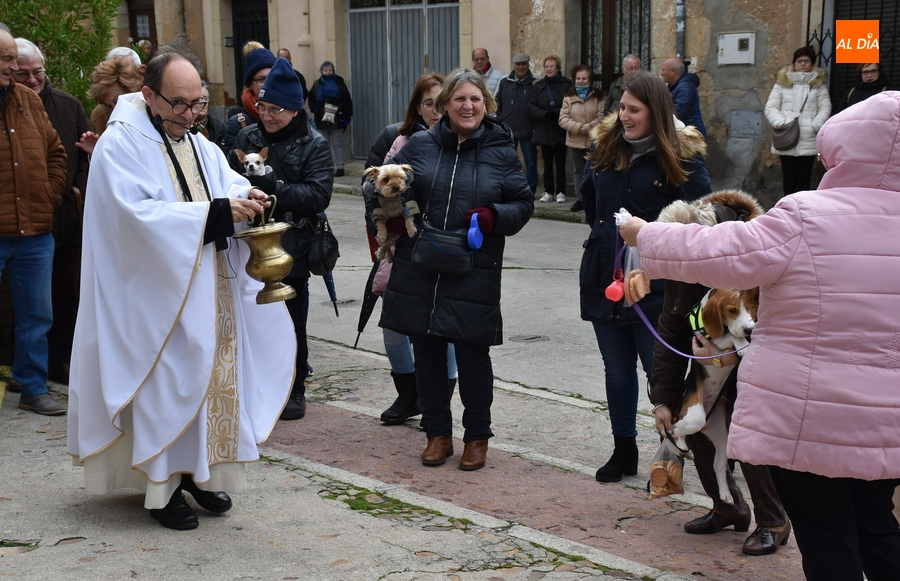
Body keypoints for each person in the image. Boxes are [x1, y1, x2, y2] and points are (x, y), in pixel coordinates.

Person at [620, 90, 900, 581]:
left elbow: (722, 251)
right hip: (888, 421)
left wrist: (646, 235)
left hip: (811, 413)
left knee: (827, 534)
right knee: (877, 523)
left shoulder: (806, 215)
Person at [67, 46, 296, 531]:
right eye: (179, 104)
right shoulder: (120, 144)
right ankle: (160, 487)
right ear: (148, 95)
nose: (190, 116)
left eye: (197, 104)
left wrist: (245, 195)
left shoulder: (194, 139)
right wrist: (214, 214)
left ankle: (196, 473)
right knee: (167, 382)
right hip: (153, 296)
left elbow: (221, 180)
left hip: (208, 287)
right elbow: (132, 218)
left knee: (208, 380)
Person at [379, 68, 533, 470]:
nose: (468, 106)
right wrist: (391, 216)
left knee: (473, 357)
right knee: (427, 354)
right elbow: (377, 185)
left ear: (487, 105)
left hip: (474, 267)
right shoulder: (419, 146)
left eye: (476, 99)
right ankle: (437, 434)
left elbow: (523, 205)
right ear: (445, 104)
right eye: (460, 99)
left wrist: (493, 215)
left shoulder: (501, 150)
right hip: (420, 264)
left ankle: (477, 437)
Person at [579, 71, 710, 483]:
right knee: (616, 370)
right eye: (621, 108)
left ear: (656, 112)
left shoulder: (682, 158)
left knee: (661, 374)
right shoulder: (604, 149)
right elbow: (589, 201)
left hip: (658, 285)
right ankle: (624, 450)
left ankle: (673, 455)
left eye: (634, 110)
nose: (624, 116)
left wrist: (654, 242)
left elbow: (703, 217)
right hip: (606, 276)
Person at [648, 190, 790, 556]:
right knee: (693, 430)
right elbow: (671, 328)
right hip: (709, 368)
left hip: (756, 368)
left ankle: (773, 521)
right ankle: (728, 507)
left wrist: (727, 359)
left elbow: (775, 328)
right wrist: (662, 398)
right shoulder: (683, 267)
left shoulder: (752, 257)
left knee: (748, 438)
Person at [229, 57, 334, 421]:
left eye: (276, 109)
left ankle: (294, 388)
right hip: (248, 240)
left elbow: (318, 195)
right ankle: (254, 383)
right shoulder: (248, 137)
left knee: (291, 319)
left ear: (294, 110)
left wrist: (274, 188)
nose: (267, 115)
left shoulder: (314, 144)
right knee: (250, 315)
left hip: (292, 245)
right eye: (262, 106)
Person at [367, 73, 458, 425]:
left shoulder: (458, 142)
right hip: (396, 246)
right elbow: (368, 191)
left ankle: (437, 402)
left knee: (442, 330)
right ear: (417, 106)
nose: (434, 110)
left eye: (440, 102)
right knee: (393, 326)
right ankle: (408, 396)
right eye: (427, 103)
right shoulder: (395, 139)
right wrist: (382, 236)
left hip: (438, 249)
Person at [14, 38, 91, 388]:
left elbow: (82, 159)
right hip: (20, 223)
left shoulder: (68, 105)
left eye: (37, 72)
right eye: (23, 73)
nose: (32, 80)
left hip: (67, 220)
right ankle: (23, 368)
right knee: (27, 301)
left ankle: (59, 360)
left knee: (67, 293)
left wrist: (68, 192)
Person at [0, 26, 67, 415]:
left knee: (37, 313)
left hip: (35, 230)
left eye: (14, 58)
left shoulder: (28, 100)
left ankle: (32, 385)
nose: (14, 68)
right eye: (7, 60)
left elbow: (56, 153)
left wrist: (49, 194)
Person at [764, 46, 831, 197]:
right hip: (787, 137)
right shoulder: (782, 83)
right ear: (793, 64)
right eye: (799, 61)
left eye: (806, 61)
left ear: (812, 64)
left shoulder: (818, 85)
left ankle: (801, 209)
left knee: (804, 179)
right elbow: (771, 107)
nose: (802, 64)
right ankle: (788, 210)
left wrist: (815, 125)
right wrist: (782, 123)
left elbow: (825, 107)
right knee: (788, 178)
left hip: (808, 138)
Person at [558, 64, 604, 212]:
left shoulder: (599, 96)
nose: (581, 81)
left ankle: (595, 198)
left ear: (590, 79)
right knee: (578, 171)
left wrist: (589, 127)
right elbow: (563, 119)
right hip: (574, 141)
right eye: (578, 78)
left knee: (594, 170)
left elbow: (603, 116)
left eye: (584, 78)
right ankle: (580, 200)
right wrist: (579, 127)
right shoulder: (568, 98)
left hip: (594, 140)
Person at [528, 55, 572, 204]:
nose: (549, 69)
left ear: (557, 68)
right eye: (547, 66)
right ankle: (548, 191)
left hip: (560, 129)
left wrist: (558, 112)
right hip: (544, 130)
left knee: (560, 163)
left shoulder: (566, 85)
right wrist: (545, 114)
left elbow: (571, 104)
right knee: (547, 163)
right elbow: (531, 107)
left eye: (552, 66)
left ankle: (561, 191)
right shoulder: (538, 86)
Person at [496, 52, 538, 194]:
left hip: (528, 128)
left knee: (530, 161)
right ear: (513, 66)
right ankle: (509, 186)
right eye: (518, 64)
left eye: (523, 64)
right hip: (509, 128)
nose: (521, 67)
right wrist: (501, 118)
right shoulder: (504, 82)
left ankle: (531, 188)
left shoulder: (534, 83)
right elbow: (497, 102)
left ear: (528, 65)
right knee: (508, 160)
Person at [223, 42, 276, 150]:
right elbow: (232, 164)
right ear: (250, 84)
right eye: (261, 79)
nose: (268, 84)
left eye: (272, 77)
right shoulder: (238, 124)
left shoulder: (293, 114)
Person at [308, 60, 353, 177]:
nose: (327, 72)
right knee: (324, 145)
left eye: (330, 70)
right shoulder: (317, 84)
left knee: (337, 144)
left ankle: (340, 167)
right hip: (321, 120)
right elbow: (311, 98)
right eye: (325, 70)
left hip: (337, 119)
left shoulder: (340, 84)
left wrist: (347, 117)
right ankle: (328, 168)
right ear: (321, 71)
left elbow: (347, 101)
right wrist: (316, 109)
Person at [87, 55, 144, 135]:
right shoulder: (99, 117)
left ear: (135, 91)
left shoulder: (154, 108)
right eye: (108, 106)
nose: (114, 111)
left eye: (118, 102)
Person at [660, 57, 707, 138]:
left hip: (692, 138)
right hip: (686, 134)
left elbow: (678, 113)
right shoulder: (675, 86)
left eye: (663, 70)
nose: (662, 73)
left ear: (672, 71)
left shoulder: (685, 87)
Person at [196, 81, 227, 151]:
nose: (203, 103)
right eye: (198, 99)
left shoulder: (219, 126)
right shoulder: (183, 128)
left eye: (205, 99)